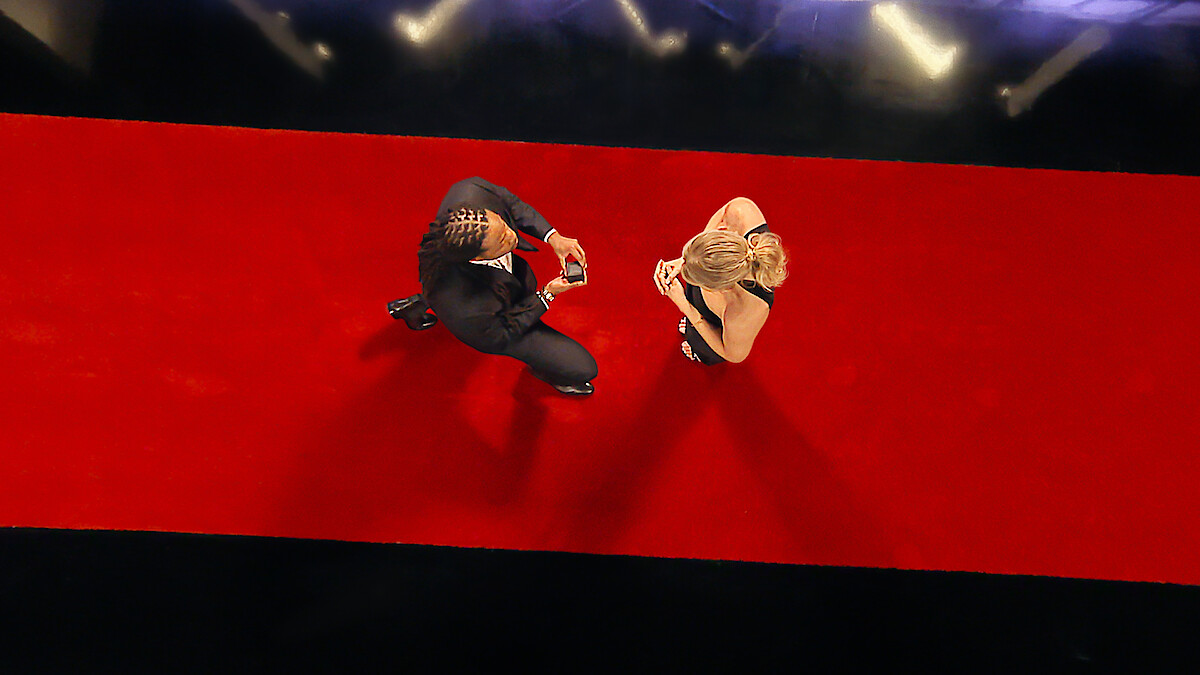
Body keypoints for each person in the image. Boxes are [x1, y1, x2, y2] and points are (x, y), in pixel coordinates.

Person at [406, 176, 598, 395]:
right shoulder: (465, 305)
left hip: (476, 291)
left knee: (450, 294)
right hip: (488, 323)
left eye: (503, 225)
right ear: (477, 258)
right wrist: (546, 295)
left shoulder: (471, 191)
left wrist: (553, 237)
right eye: (501, 240)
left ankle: (416, 305)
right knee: (583, 368)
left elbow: (511, 204)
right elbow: (499, 336)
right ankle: (546, 371)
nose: (512, 234)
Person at [653, 197, 788, 365]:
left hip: (718, 323)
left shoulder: (745, 310)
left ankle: (698, 347)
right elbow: (724, 212)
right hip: (711, 279)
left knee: (703, 343)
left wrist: (686, 307)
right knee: (694, 310)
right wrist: (688, 260)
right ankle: (692, 325)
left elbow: (733, 355)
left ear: (722, 288)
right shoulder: (742, 211)